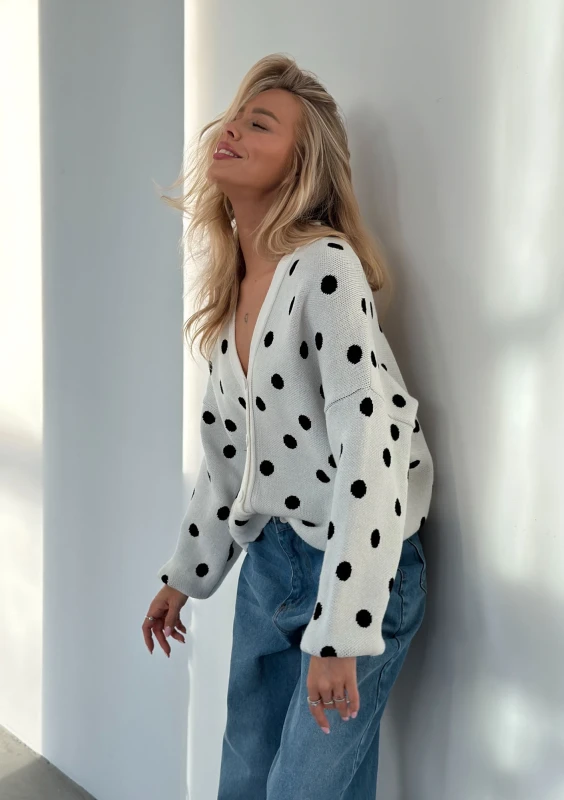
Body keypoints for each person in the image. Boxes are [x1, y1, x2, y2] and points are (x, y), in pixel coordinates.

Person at [142, 53, 434, 799]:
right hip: (270, 563)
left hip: (357, 564)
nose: (231, 130)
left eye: (259, 124)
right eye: (236, 117)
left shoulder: (325, 269)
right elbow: (229, 460)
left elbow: (372, 442)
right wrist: (183, 576)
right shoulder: (231, 292)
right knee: (243, 779)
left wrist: (341, 630)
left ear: (300, 167)